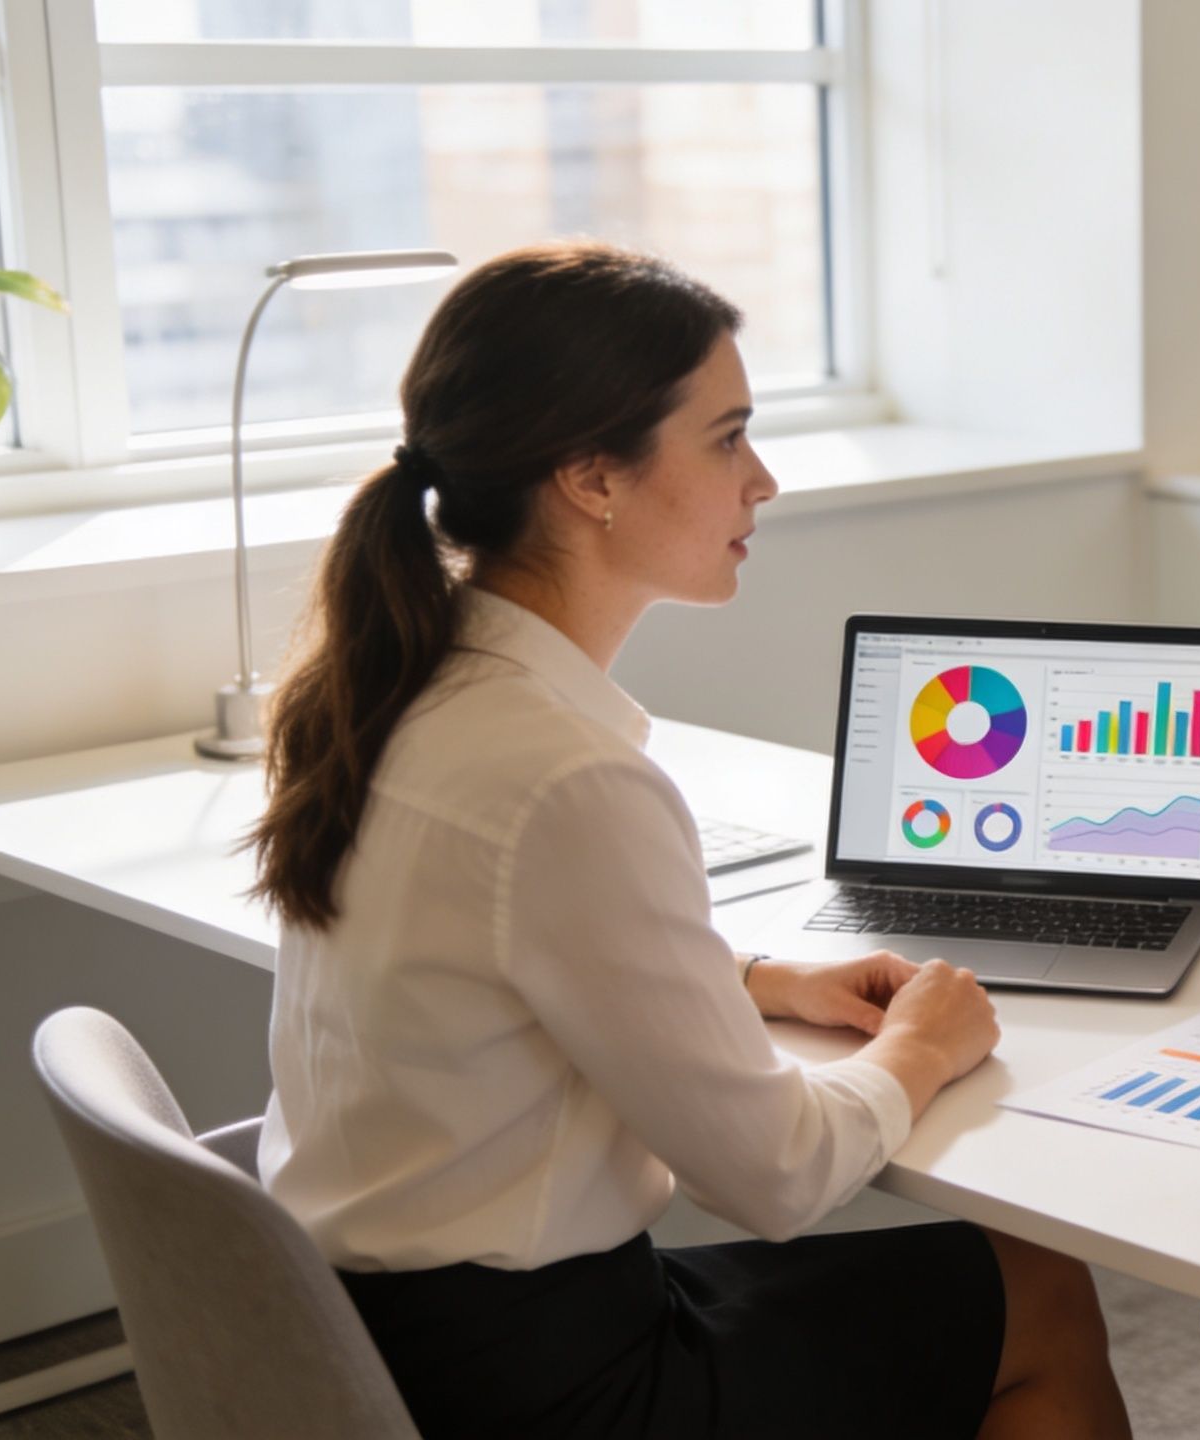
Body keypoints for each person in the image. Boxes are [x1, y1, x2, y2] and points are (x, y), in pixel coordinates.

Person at [247, 241, 1129, 1440]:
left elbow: (497, 967)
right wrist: (920, 1046)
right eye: (726, 438)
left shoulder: (398, 688)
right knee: (1041, 1295)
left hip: (368, 1338)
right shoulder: (566, 779)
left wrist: (763, 980)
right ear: (591, 478)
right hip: (543, 1386)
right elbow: (773, 1178)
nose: (761, 480)